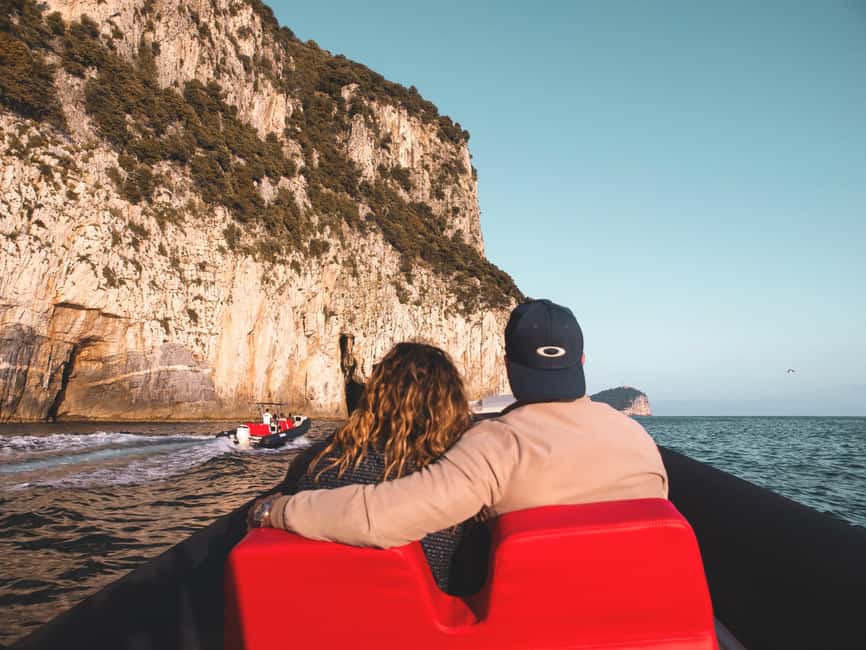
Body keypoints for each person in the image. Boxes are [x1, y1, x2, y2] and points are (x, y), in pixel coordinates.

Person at [255, 299, 668, 551]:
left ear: (508, 366)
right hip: (651, 627)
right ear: (581, 362)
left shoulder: (496, 445)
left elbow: (382, 518)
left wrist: (281, 508)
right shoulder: (637, 440)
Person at [248, 342, 478, 593]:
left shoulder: (320, 466)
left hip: (327, 613)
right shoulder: (455, 483)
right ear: (450, 406)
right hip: (418, 624)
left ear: (375, 396)